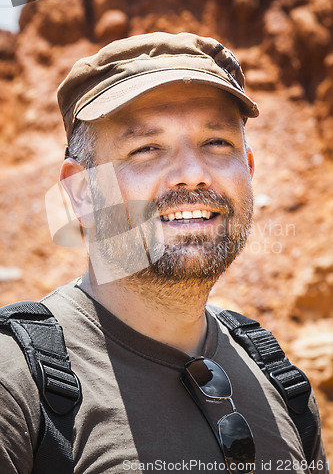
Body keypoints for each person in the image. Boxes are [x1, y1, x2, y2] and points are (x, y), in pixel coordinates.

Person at [0, 32, 328, 474]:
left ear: (248, 169)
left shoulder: (279, 380)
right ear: (79, 193)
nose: (192, 174)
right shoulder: (16, 387)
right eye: (146, 149)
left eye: (217, 143)